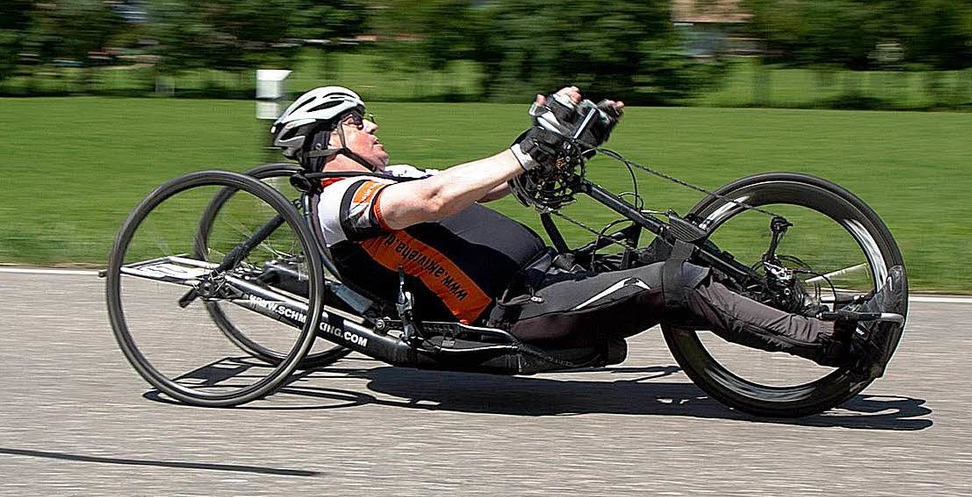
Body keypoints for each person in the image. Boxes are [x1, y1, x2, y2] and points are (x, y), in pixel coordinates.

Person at [270, 85, 904, 376]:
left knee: (670, 241)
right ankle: (836, 345)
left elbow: (483, 184)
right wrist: (526, 151)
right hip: (515, 316)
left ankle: (826, 306)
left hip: (548, 278)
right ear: (330, 143)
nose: (372, 128)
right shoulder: (342, 202)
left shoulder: (389, 179)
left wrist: (562, 144)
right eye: (358, 123)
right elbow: (438, 199)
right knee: (673, 281)